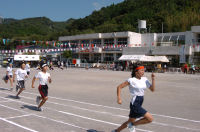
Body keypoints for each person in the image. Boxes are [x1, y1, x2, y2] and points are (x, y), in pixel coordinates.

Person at [112, 64, 155, 132]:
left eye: (144, 70)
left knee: (130, 121)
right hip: (135, 103)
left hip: (140, 101)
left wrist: (153, 79)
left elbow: (152, 89)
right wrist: (119, 98)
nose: (143, 72)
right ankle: (132, 125)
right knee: (150, 119)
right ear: (136, 71)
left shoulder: (145, 79)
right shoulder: (131, 80)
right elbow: (119, 87)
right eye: (141, 70)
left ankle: (116, 131)